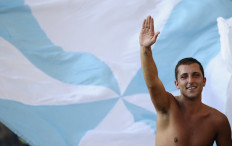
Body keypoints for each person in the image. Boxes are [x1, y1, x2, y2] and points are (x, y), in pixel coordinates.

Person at [139, 16, 232, 146]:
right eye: (184, 77)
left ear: (204, 81)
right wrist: (145, 48)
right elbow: (152, 83)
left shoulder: (218, 120)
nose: (190, 81)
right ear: (176, 84)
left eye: (195, 75)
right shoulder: (167, 106)